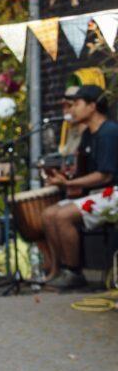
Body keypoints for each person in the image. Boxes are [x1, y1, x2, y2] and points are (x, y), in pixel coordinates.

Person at [41, 84, 118, 290]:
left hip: (113, 193)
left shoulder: (109, 132)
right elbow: (83, 171)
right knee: (48, 214)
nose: (72, 109)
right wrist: (65, 177)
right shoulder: (88, 135)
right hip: (95, 193)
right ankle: (58, 269)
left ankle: (74, 272)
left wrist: (68, 183)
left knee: (62, 216)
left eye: (76, 104)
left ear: (92, 106)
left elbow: (105, 175)